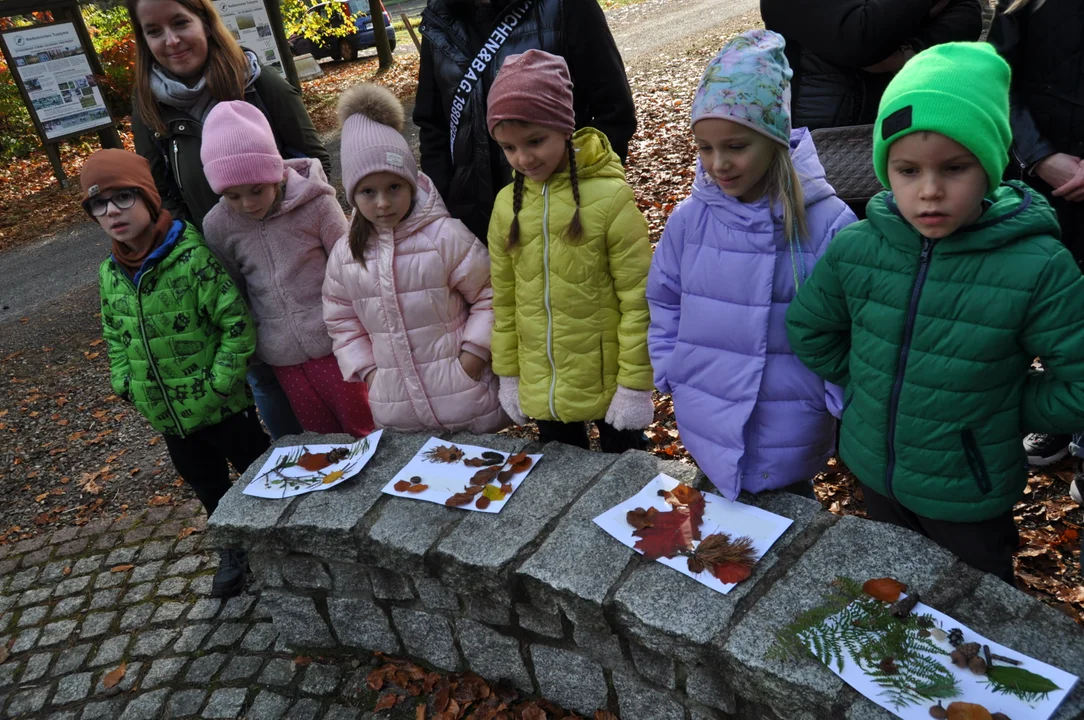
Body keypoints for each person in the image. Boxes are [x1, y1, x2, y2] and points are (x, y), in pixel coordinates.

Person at [785, 42, 1084, 583]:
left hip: (967, 492)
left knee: (976, 602)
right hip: (875, 472)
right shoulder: (858, 247)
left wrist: (1004, 407)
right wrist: (865, 382)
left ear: (990, 166)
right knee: (897, 588)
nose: (929, 191)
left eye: (955, 167)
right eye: (906, 169)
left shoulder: (1037, 266)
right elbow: (809, 326)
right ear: (885, 169)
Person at [647, 31, 856, 501]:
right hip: (705, 410)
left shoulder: (826, 223)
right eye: (704, 147)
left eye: (735, 146)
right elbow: (664, 296)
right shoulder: (690, 221)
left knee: (789, 527)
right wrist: (669, 364)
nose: (718, 164)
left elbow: (851, 320)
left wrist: (837, 394)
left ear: (773, 139)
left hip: (791, 418)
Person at [125, 0, 330, 440]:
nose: (172, 40)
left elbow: (311, 158)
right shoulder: (149, 108)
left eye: (181, 23)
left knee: (326, 358)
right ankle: (299, 461)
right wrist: (206, 249)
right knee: (263, 373)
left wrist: (286, 219)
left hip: (297, 258)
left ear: (205, 21)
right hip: (224, 262)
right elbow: (163, 195)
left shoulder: (257, 83)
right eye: (154, 30)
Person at [87, 149, 267, 598]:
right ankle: (233, 545)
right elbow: (113, 332)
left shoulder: (191, 259)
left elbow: (236, 325)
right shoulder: (111, 274)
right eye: (99, 204)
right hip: (169, 416)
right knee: (206, 482)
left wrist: (219, 384)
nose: (112, 211)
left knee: (257, 471)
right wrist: (124, 381)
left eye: (123, 197)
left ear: (149, 199)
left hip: (222, 406)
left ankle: (278, 538)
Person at [486, 50, 653, 453]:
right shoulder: (507, 205)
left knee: (630, 488)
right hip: (544, 385)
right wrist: (510, 375)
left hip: (610, 382)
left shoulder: (611, 199)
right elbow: (504, 301)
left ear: (564, 128)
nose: (523, 158)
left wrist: (634, 385)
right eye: (508, 148)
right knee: (561, 485)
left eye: (535, 141)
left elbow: (639, 299)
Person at [322, 84, 507, 433]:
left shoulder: (445, 237)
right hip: (398, 407)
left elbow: (491, 292)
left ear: (411, 182)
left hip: (464, 397)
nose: (382, 203)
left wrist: (473, 355)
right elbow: (341, 321)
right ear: (351, 195)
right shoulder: (346, 255)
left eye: (394, 187)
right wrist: (371, 373)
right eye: (367, 191)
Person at [200, 102, 375, 438]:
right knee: (319, 436)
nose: (248, 204)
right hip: (281, 353)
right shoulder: (220, 225)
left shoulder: (317, 204)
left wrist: (363, 326)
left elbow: (349, 264)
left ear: (276, 173)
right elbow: (233, 289)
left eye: (257, 190)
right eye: (233, 196)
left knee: (362, 426)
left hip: (336, 340)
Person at [413, 0, 636, 241]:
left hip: (568, 218)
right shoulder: (440, 15)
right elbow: (433, 124)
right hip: (474, 229)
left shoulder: (567, 6)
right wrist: (449, 203)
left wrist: (585, 194)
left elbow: (614, 111)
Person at [989, 0, 1084, 473]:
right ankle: (1062, 414)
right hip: (1044, 178)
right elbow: (997, 73)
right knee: (1051, 298)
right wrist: (1039, 155)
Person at [760, 0, 983, 130]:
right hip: (832, 151)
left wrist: (908, 52)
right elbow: (859, 38)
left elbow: (967, 14)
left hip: (923, 124)